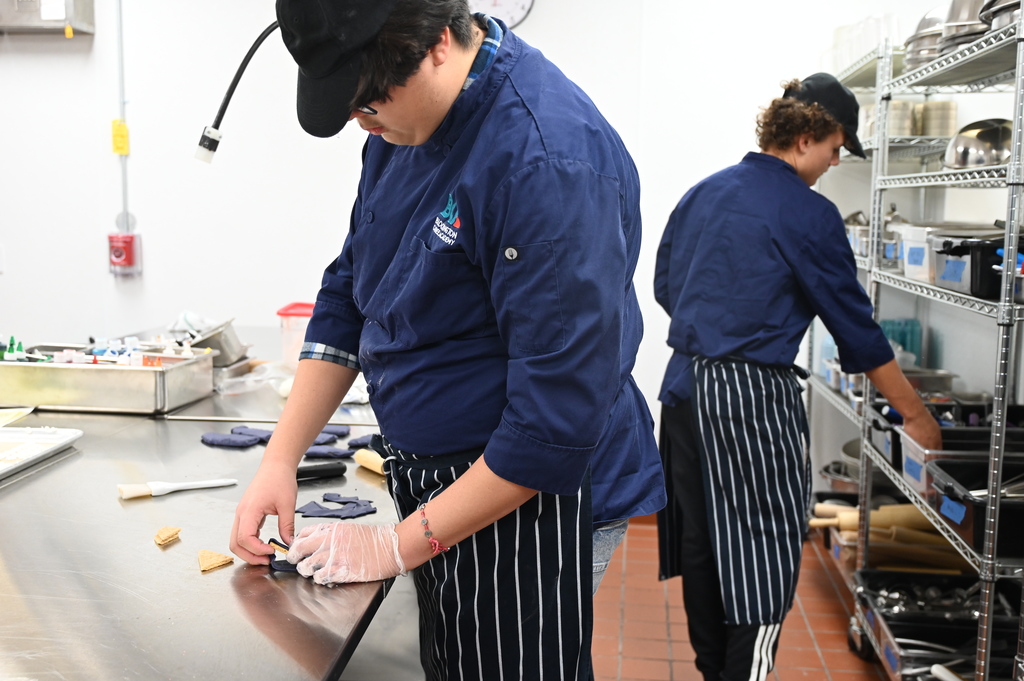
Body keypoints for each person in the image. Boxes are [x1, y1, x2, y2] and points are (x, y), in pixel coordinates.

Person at [229, 1, 666, 679]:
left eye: (369, 102)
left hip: (533, 500)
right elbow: (350, 288)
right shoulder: (401, 125)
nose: (363, 123)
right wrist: (280, 459)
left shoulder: (546, 161)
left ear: (435, 42)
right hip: (445, 478)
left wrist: (393, 547)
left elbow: (550, 426)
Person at [652, 73, 943, 681]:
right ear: (807, 136)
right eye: (836, 148)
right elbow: (856, 330)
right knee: (763, 550)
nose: (836, 162)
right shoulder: (808, 213)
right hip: (747, 400)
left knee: (705, 545)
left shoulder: (705, 191)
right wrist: (915, 416)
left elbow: (666, 286)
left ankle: (715, 672)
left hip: (682, 389)